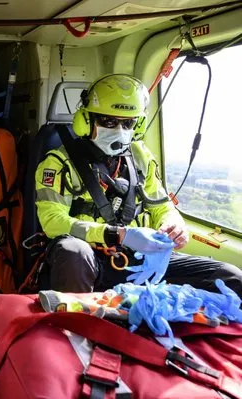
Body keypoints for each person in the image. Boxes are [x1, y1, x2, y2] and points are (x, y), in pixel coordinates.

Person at [35, 74, 242, 295]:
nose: (120, 130)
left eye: (128, 123)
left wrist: (174, 225)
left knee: (230, 277)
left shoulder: (140, 156)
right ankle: (76, 322)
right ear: (87, 121)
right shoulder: (58, 163)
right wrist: (118, 234)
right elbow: (53, 222)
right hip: (92, 258)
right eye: (108, 121)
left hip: (141, 258)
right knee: (72, 250)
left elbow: (161, 205)